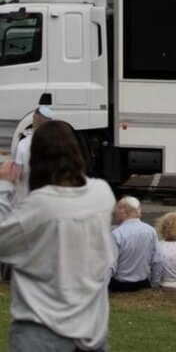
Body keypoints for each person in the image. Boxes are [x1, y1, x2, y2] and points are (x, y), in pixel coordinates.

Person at [0, 119, 116, 351]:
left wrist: (5, 186)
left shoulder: (40, 207)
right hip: (92, 328)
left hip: (41, 328)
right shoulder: (103, 195)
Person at [109, 196, 159, 291]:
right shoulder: (151, 231)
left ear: (124, 212)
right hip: (143, 282)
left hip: (119, 285)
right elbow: (157, 260)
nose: (116, 213)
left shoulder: (117, 234)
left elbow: (110, 265)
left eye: (118, 209)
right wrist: (154, 283)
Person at [11, 104, 54, 204]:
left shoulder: (23, 144)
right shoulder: (55, 143)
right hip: (48, 200)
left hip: (27, 198)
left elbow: (17, 174)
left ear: (35, 118)